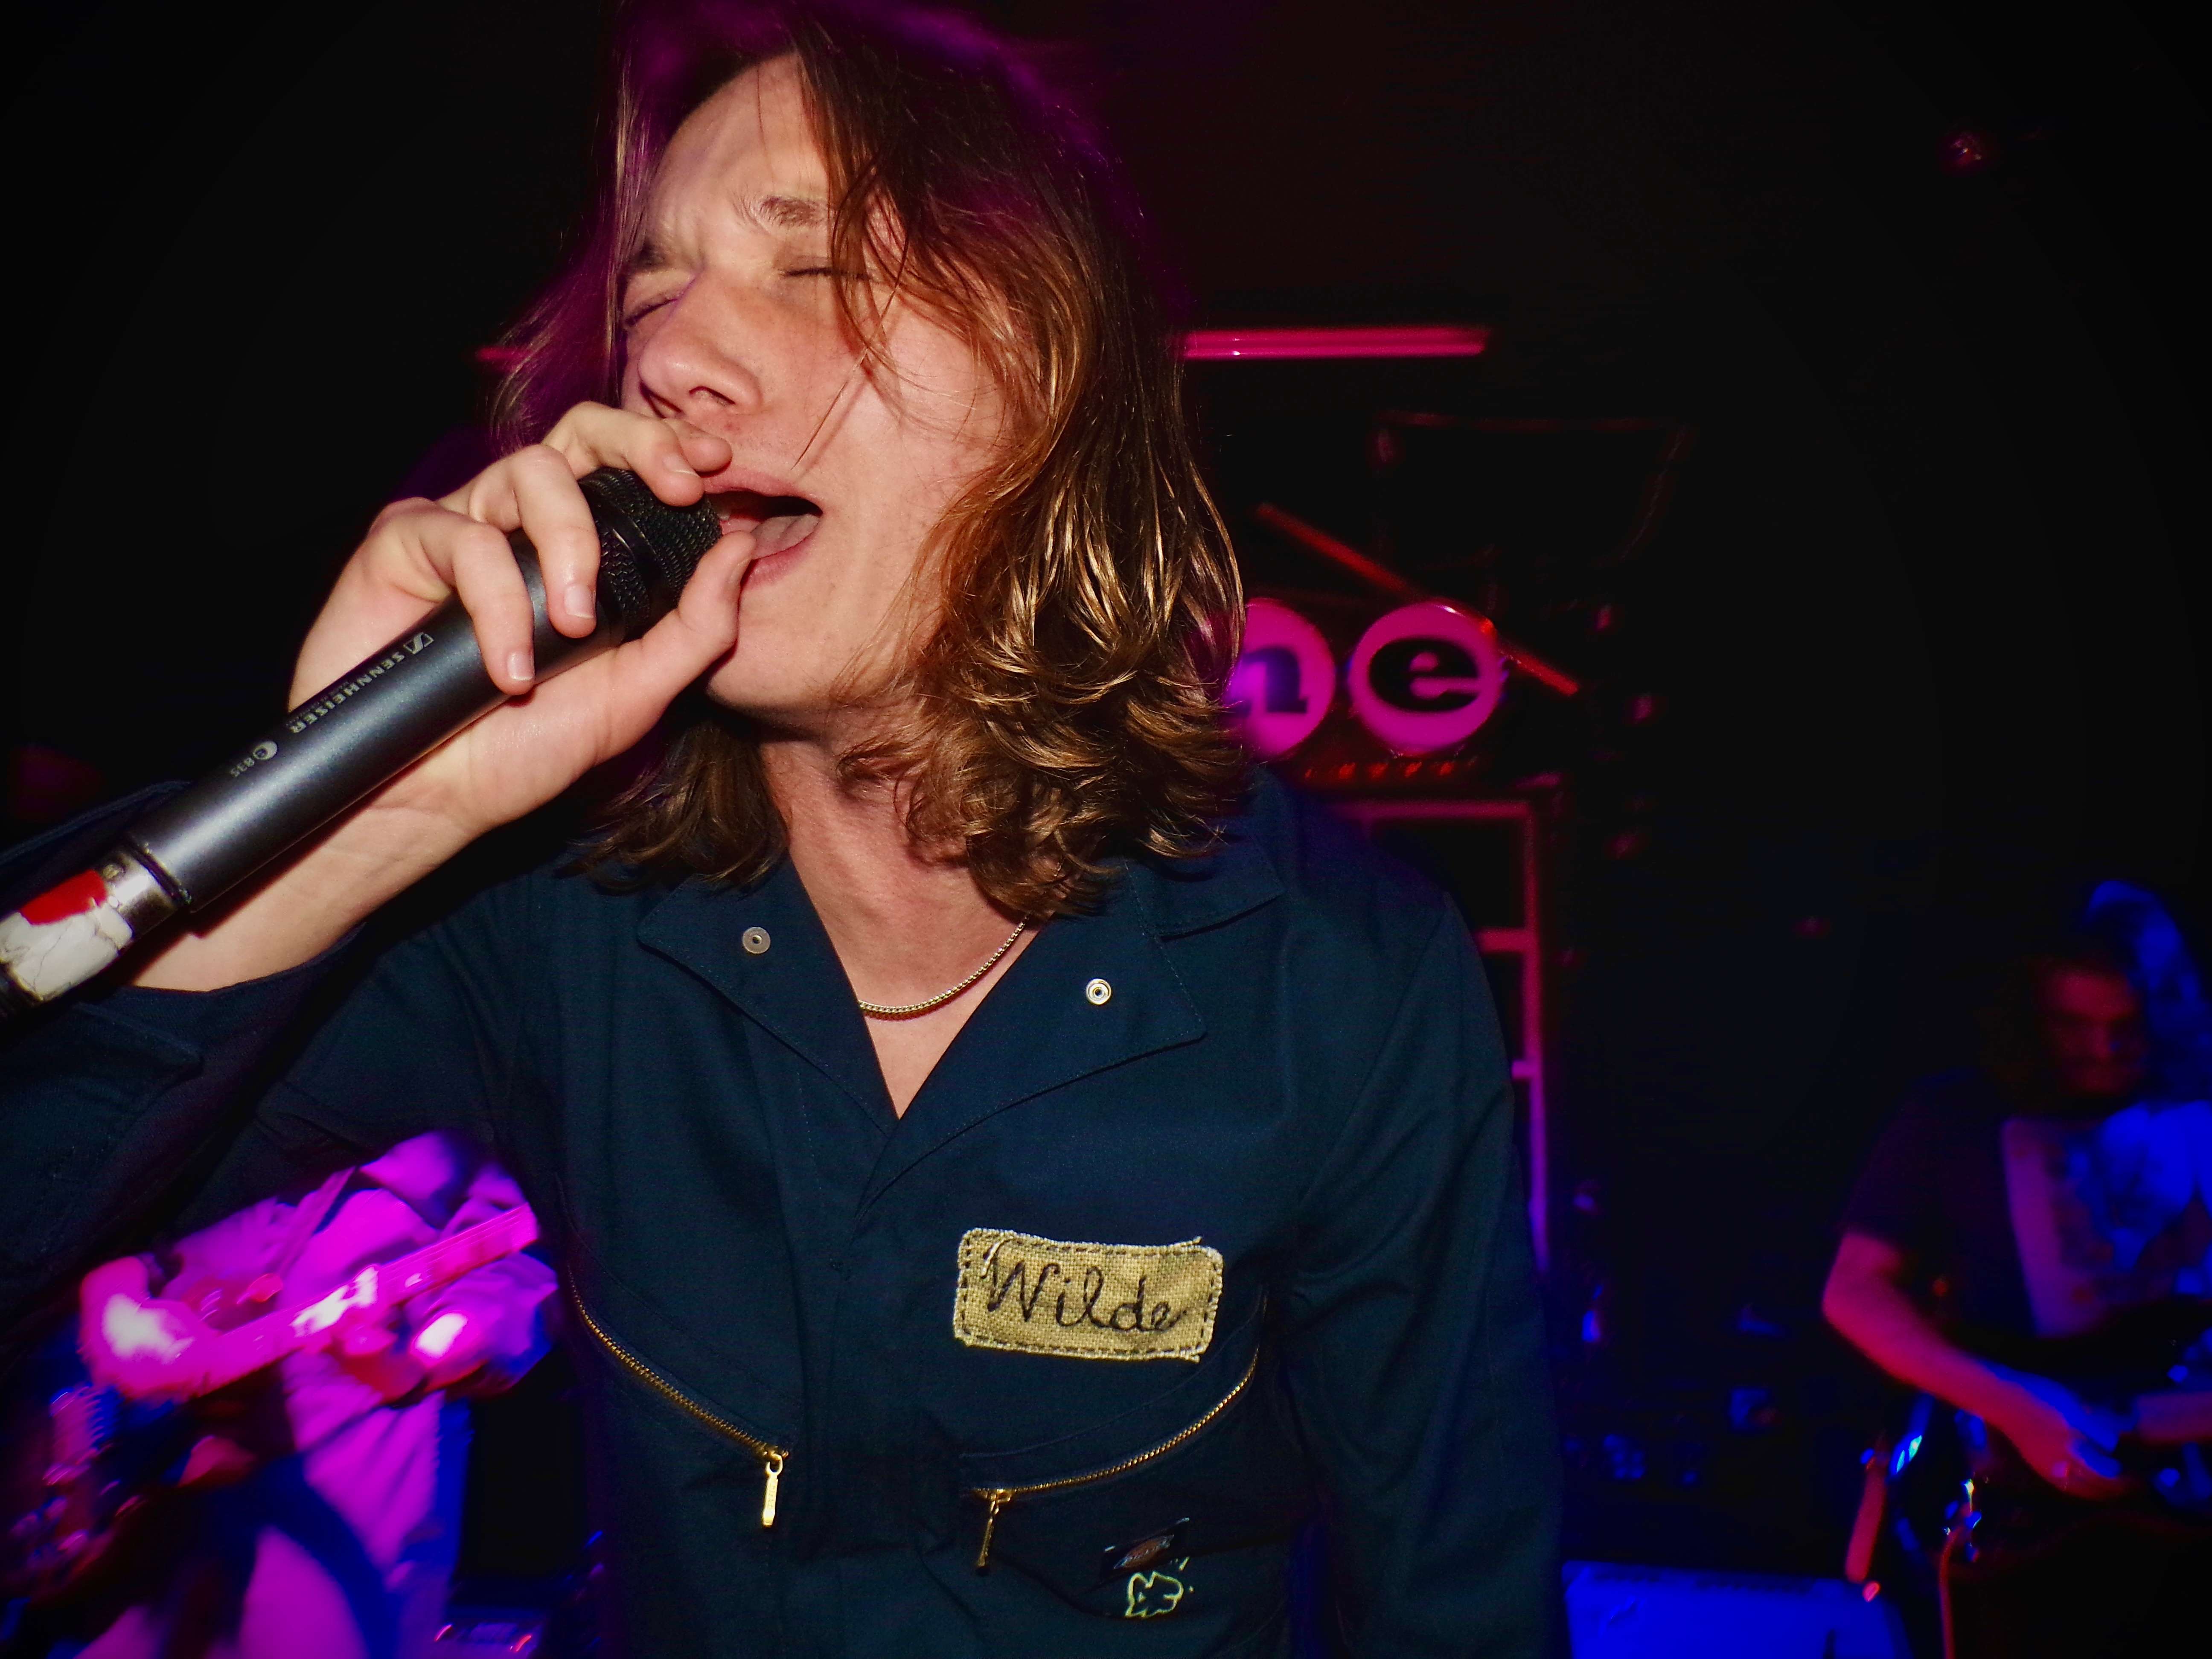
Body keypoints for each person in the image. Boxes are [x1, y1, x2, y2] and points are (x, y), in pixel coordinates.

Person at [0, 3, 1557, 1654]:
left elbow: (1454, 1605)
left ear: (1047, 370)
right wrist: (370, 820)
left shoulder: (1342, 977)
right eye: (654, 289)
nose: (670, 355)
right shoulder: (560, 919)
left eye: (809, 265)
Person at [1823, 885, 2212, 1653]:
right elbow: (1852, 1290)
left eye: (2125, 1025)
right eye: (2073, 1024)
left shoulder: (2195, 1108)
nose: (2101, 1049)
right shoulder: (1952, 1116)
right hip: (2020, 1515)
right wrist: (2018, 1404)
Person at [48, 1134, 553, 1659]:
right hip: (148, 1342)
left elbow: (523, 1252)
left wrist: (420, 1363)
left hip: (353, 1412)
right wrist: (111, 1285)